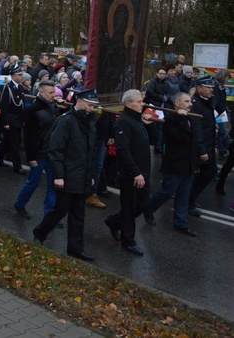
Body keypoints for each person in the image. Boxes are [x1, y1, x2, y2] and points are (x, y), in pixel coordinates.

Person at [32, 89, 99, 262]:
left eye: (94, 106)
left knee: (78, 213)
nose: (92, 109)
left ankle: (76, 248)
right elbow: (56, 150)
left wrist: (90, 174)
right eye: (90, 105)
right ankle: (40, 232)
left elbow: (90, 152)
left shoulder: (90, 122)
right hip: (68, 175)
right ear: (80, 102)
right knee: (60, 210)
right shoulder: (66, 121)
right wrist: (58, 176)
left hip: (81, 176)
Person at [103, 90, 153, 256]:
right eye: (139, 102)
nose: (142, 104)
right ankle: (128, 240)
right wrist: (135, 173)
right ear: (129, 104)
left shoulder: (136, 119)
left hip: (143, 172)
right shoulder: (124, 121)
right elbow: (123, 150)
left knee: (144, 204)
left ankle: (114, 221)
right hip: (132, 174)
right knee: (129, 207)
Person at [147, 92, 200, 236]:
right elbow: (176, 138)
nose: (190, 104)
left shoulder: (190, 117)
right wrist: (182, 119)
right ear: (177, 103)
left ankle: (180, 223)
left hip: (188, 164)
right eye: (187, 101)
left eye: (190, 101)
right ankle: (148, 210)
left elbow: (194, 139)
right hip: (174, 164)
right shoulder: (170, 118)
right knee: (167, 192)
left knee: (184, 196)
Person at [14, 80, 59, 219]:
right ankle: (20, 204)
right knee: (33, 182)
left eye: (54, 92)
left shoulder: (51, 107)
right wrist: (31, 157)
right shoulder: (33, 110)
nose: (53, 95)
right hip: (39, 153)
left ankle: (50, 214)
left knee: (53, 184)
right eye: (50, 93)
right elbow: (29, 135)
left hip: (51, 152)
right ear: (41, 92)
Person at [187, 76, 218, 217]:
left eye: (212, 87)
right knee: (194, 174)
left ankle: (190, 198)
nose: (211, 89)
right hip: (200, 147)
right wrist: (202, 150)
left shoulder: (207, 101)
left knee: (210, 172)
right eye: (208, 87)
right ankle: (188, 201)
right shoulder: (195, 104)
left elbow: (210, 126)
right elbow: (197, 130)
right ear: (199, 88)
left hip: (209, 145)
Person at [0, 64, 25, 174]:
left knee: (7, 141)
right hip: (11, 119)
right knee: (14, 143)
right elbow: (4, 106)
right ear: (13, 76)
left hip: (18, 119)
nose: (21, 77)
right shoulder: (7, 87)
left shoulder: (20, 87)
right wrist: (5, 122)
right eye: (19, 75)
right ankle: (17, 166)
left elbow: (21, 104)